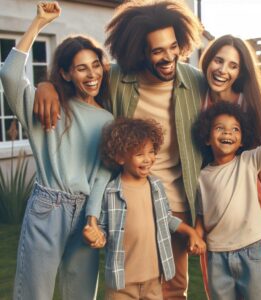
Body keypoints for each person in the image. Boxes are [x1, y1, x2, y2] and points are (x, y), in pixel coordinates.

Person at [33, 1, 205, 298]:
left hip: (176, 200)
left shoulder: (195, 80)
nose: (168, 57)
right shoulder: (117, 79)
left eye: (173, 47)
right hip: (128, 198)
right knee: (125, 283)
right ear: (140, 51)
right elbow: (79, 80)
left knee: (174, 287)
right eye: (157, 51)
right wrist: (45, 85)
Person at [0, 2, 113, 300]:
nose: (91, 74)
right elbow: (10, 76)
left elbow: (103, 174)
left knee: (81, 295)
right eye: (81, 68)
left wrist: (93, 219)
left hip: (87, 212)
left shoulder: (108, 119)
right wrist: (38, 23)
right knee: (33, 294)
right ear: (65, 74)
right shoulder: (47, 107)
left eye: (95, 64)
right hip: (47, 207)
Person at [197, 35, 261, 287]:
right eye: (218, 60)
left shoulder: (251, 105)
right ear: (208, 59)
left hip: (253, 218)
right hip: (214, 222)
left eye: (233, 65)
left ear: (241, 71)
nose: (222, 70)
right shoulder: (197, 101)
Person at [192, 89, 261, 299]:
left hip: (253, 252)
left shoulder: (249, 161)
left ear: (242, 140)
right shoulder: (201, 176)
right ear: (207, 138)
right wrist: (196, 236)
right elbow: (201, 213)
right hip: (217, 257)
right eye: (220, 129)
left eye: (235, 130)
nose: (228, 133)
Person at [84, 117, 206, 299]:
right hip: (121, 283)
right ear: (119, 157)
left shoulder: (156, 186)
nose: (148, 159)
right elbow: (103, 230)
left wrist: (190, 232)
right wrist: (96, 237)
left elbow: (166, 218)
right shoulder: (110, 192)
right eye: (139, 154)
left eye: (151, 152)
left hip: (153, 279)